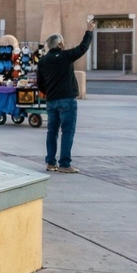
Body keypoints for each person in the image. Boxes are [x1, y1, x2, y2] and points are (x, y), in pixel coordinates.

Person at [35, 20, 96, 173]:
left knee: (52, 132)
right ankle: (64, 164)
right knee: (67, 132)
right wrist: (89, 31)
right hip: (67, 100)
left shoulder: (43, 61)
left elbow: (40, 83)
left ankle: (50, 162)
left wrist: (48, 92)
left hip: (51, 101)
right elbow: (83, 48)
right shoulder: (66, 56)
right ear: (61, 45)